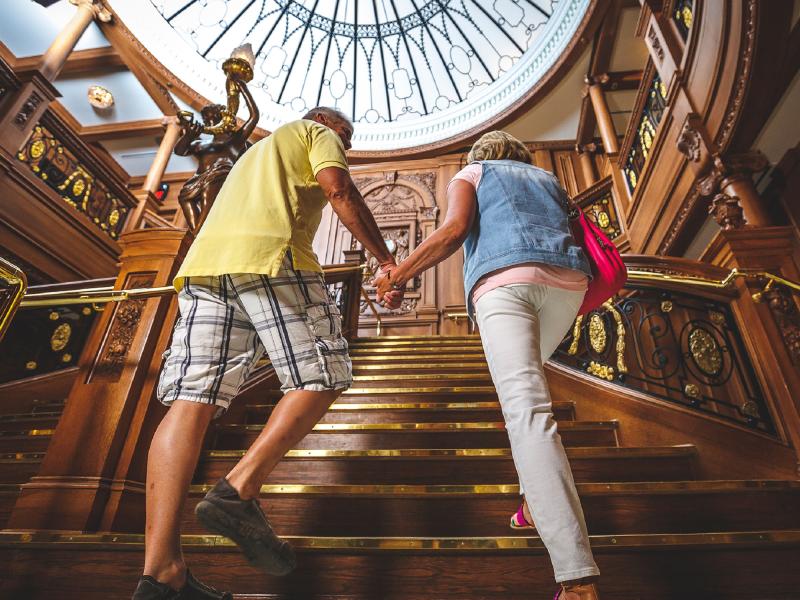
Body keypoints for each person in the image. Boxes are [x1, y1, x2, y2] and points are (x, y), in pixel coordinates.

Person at [133, 107, 404, 599]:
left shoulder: (254, 155)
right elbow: (338, 189)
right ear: (330, 127)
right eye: (346, 141)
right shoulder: (314, 132)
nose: (343, 147)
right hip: (271, 258)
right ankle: (238, 490)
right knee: (323, 374)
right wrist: (386, 260)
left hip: (205, 270)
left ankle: (162, 573)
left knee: (191, 401)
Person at [374, 131, 601, 600]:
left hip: (505, 284)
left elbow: (454, 230)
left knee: (528, 412)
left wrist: (398, 274)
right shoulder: (546, 177)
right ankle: (533, 504)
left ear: (480, 155)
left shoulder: (472, 172)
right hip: (567, 285)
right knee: (527, 398)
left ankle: (576, 578)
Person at [174, 78, 259, 232]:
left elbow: (254, 117)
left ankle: (199, 237)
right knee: (184, 197)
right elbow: (179, 151)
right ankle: (197, 235)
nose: (209, 122)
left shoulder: (235, 140)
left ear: (224, 120)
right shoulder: (201, 143)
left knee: (207, 209)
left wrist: (243, 89)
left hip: (218, 177)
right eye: (207, 120)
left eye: (213, 118)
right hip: (197, 180)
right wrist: (188, 135)